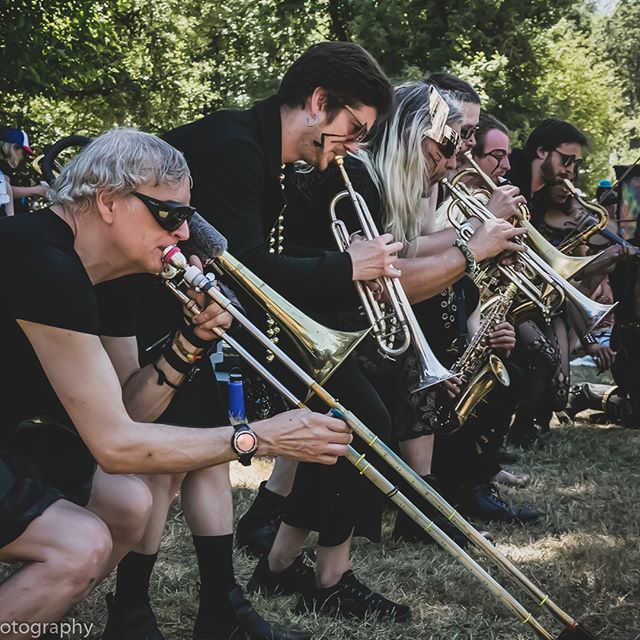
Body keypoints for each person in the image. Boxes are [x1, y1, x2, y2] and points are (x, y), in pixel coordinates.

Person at [0, 128, 352, 640]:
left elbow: (128, 413)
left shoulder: (102, 274)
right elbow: (117, 445)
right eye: (171, 215)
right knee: (78, 545)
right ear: (108, 202)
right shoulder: (43, 261)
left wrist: (187, 343)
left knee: (127, 504)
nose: (184, 235)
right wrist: (262, 437)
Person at [162, 41, 416, 623]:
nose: (353, 146)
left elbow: (260, 254)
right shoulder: (236, 149)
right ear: (319, 102)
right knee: (356, 419)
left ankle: (282, 573)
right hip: (150, 320)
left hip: (204, 319)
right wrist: (347, 267)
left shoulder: (263, 153)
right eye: (353, 128)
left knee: (351, 418)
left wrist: (351, 259)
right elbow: (246, 269)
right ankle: (303, 577)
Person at [0, 128, 49, 210]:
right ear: (14, 148)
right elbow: (4, 190)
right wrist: (37, 189)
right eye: (23, 153)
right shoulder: (2, 165)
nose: (23, 158)